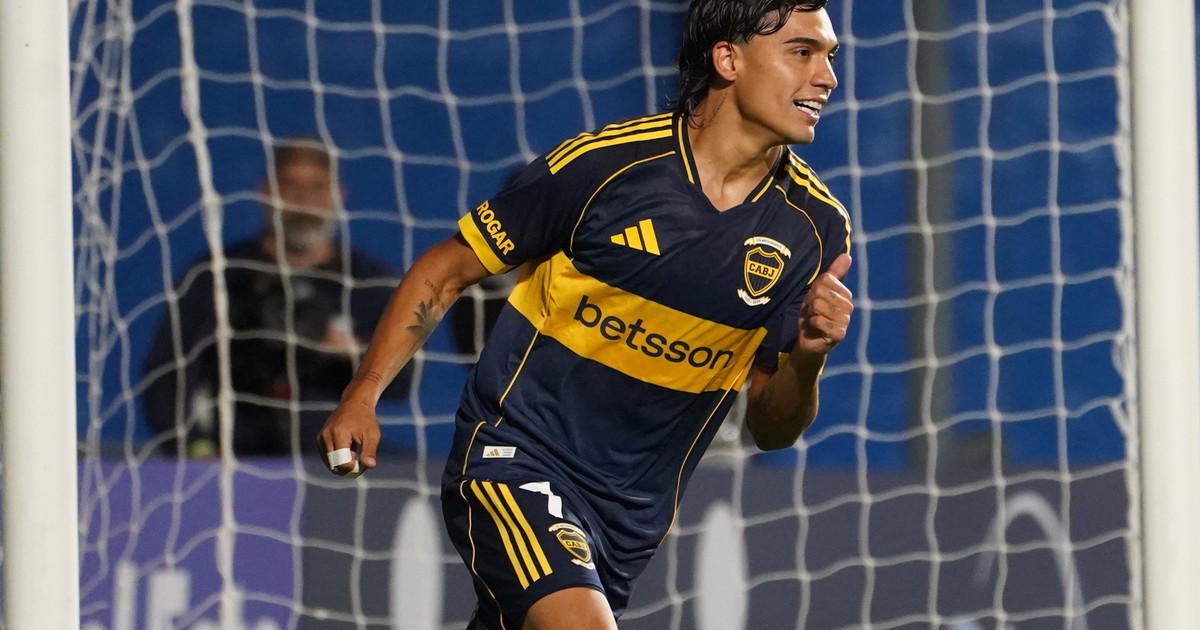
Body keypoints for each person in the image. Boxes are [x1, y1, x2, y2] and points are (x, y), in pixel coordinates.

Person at [319, 0, 853, 627]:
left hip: (629, 518)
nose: (827, 78)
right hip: (515, 459)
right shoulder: (606, 166)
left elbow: (773, 428)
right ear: (728, 59)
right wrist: (364, 391)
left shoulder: (814, 229)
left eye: (829, 57)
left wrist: (809, 357)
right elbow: (446, 270)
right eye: (802, 52)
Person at [144, 138, 407, 457]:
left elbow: (403, 384)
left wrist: (347, 350)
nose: (304, 203)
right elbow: (167, 376)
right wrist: (197, 450)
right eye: (291, 188)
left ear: (339, 195)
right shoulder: (219, 275)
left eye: (318, 188)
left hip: (338, 457)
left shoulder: (370, 280)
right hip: (234, 456)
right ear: (266, 192)